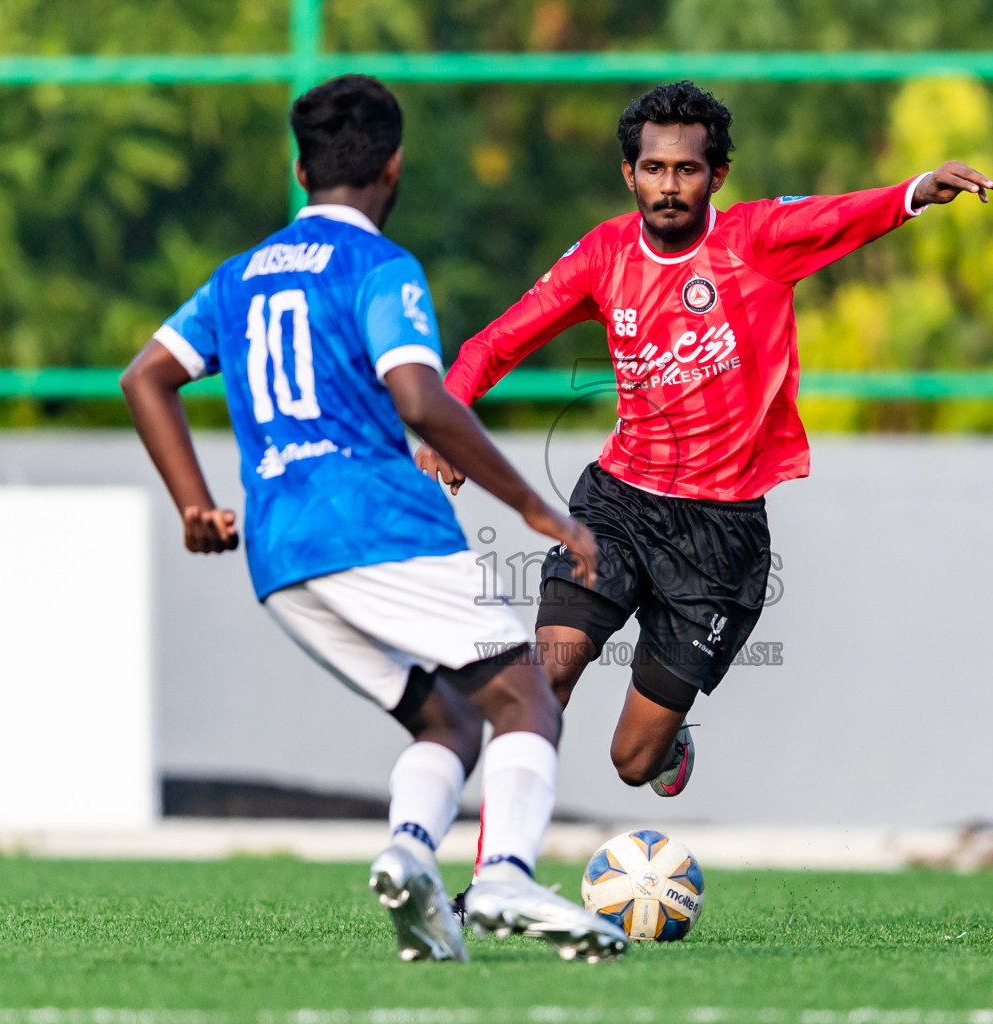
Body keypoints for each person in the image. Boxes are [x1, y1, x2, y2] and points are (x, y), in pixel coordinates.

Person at [120, 74, 627, 964]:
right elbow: (422, 402)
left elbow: (145, 377)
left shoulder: (237, 278)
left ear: (298, 166)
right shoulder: (381, 269)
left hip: (280, 555)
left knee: (450, 723)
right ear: (394, 166)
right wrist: (534, 505)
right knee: (528, 700)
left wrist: (194, 504)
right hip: (377, 526)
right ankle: (505, 873)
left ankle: (408, 859)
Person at [417, 80, 993, 804]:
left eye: (687, 169)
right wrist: (447, 419)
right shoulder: (602, 257)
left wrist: (915, 190)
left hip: (720, 536)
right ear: (629, 174)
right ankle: (496, 875)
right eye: (654, 169)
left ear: (715, 175)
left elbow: (842, 217)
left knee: (633, 762)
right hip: (616, 508)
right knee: (546, 675)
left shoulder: (755, 240)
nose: (669, 186)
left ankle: (666, 745)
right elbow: (493, 343)